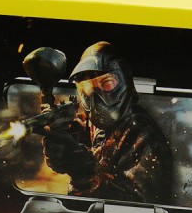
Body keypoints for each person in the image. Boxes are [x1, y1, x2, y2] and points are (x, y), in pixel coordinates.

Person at [43, 41, 172, 203]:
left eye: (107, 84)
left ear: (124, 81)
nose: (97, 96)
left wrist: (85, 173)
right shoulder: (91, 125)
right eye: (88, 88)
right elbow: (81, 140)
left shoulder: (143, 135)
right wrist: (61, 138)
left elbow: (138, 207)